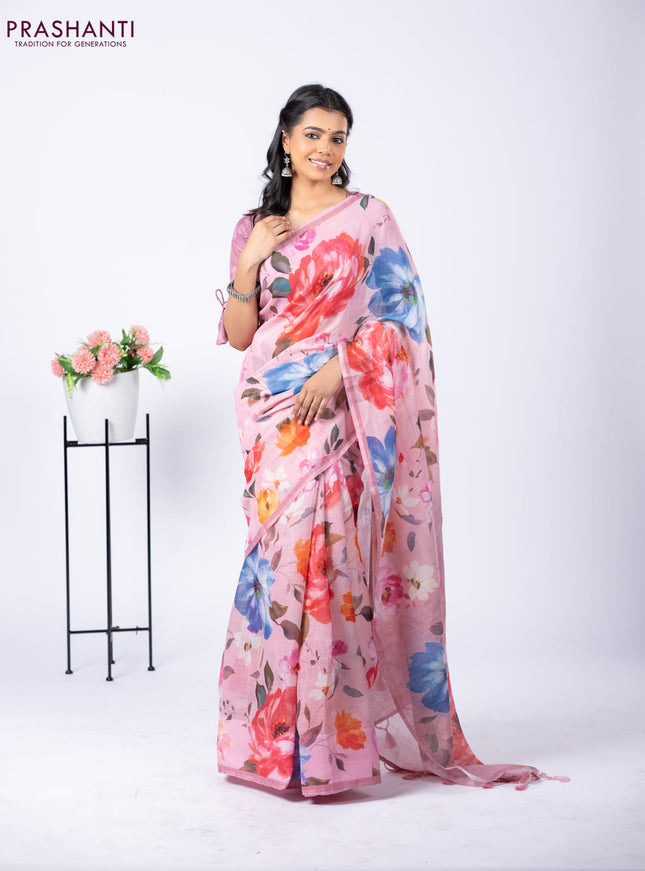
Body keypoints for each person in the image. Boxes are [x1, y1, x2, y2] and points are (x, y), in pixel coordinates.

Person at [215, 84, 566, 797]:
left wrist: (338, 369)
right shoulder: (254, 225)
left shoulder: (369, 217)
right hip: (268, 411)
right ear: (285, 139)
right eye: (312, 134)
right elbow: (241, 334)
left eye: (337, 137)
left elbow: (402, 321)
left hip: (338, 403)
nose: (325, 148)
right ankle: (267, 747)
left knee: (329, 561)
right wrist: (248, 262)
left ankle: (329, 752)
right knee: (275, 570)